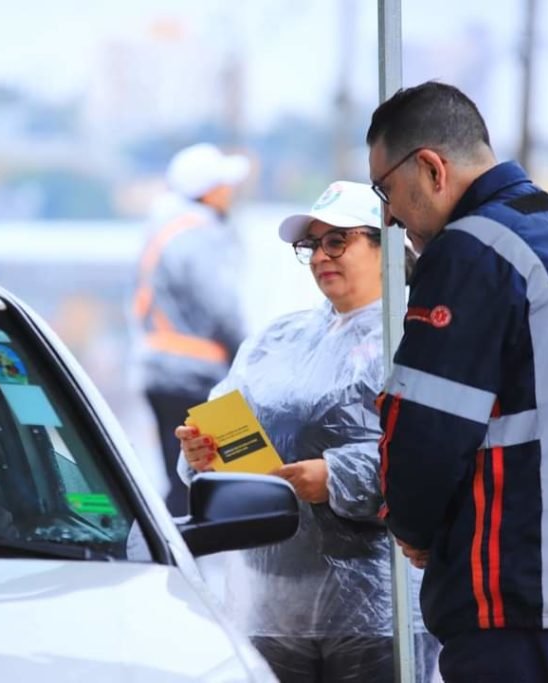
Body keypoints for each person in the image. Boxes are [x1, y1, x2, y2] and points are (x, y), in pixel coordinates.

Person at [366, 81, 548, 682]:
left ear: (431, 168)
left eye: (386, 191)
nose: (389, 217)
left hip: (517, 590)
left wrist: (413, 527)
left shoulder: (470, 249)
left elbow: (426, 432)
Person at [176, 181, 437, 682]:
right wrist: (200, 453)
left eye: (337, 241)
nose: (320, 256)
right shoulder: (278, 340)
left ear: (386, 243)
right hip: (271, 609)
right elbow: (217, 425)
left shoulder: (418, 336)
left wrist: (339, 477)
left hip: (379, 612)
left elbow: (438, 453)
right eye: (311, 245)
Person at [131, 142, 250, 516]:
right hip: (195, 375)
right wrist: (248, 355)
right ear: (208, 191)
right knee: (212, 477)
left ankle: (174, 544)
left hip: (162, 370)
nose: (230, 192)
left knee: (181, 477)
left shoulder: (165, 227)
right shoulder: (197, 233)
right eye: (224, 185)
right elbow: (221, 306)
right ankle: (183, 549)